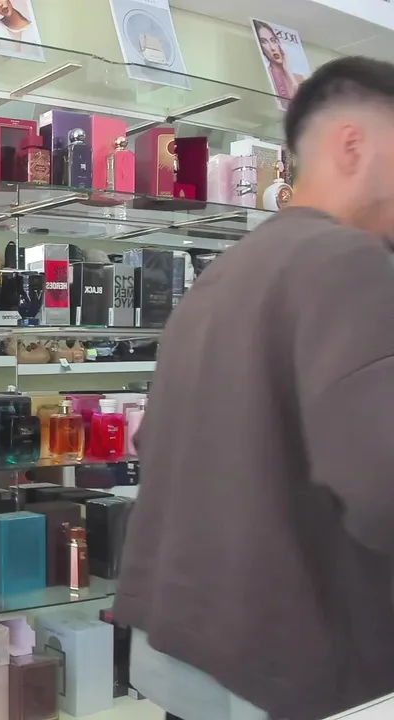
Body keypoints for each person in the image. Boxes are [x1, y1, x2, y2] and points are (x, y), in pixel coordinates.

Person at [114, 56, 394, 720]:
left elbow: (154, 442)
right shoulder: (352, 263)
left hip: (188, 642)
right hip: (291, 658)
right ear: (354, 145)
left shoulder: (223, 274)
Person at [254, 19, 306, 108]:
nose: (272, 48)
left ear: (278, 43)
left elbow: (303, 105)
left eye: (273, 40)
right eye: (264, 42)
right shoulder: (264, 80)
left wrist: (287, 71)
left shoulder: (300, 78)